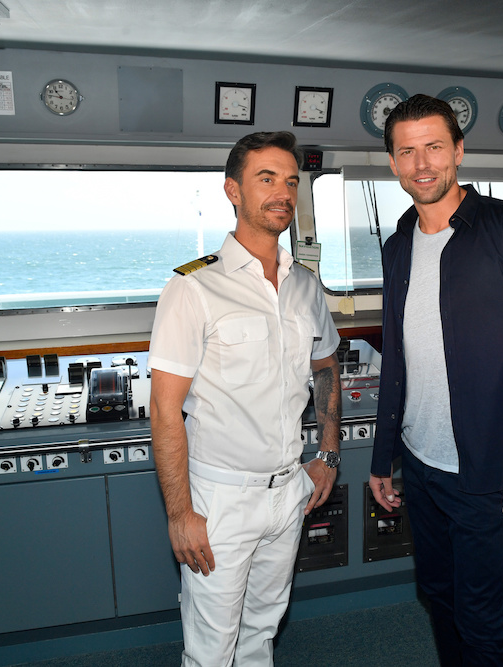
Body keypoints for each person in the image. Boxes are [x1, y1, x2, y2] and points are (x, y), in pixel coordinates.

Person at [368, 94, 503, 666]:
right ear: (392, 162)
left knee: (480, 616)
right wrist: (383, 458)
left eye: (434, 146)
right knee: (437, 595)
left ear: (459, 150)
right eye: (407, 152)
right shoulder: (398, 246)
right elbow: (400, 360)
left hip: (487, 469)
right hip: (421, 464)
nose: (422, 164)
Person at [148, 131, 342, 666]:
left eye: (291, 181)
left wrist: (327, 455)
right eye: (266, 179)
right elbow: (165, 409)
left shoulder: (305, 285)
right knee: (212, 647)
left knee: (262, 629)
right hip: (220, 500)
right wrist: (180, 512)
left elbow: (325, 369)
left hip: (288, 493)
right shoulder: (194, 288)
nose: (282, 193)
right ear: (233, 191)